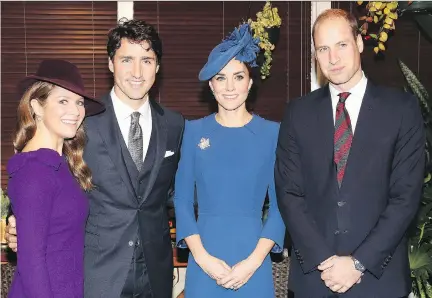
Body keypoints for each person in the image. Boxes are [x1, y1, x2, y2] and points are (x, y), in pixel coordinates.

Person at [6, 19, 184, 298]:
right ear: (111, 64)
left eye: (147, 60)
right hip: (96, 277)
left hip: (156, 276)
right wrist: (15, 222)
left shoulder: (175, 125)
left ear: (158, 67)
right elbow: (40, 176)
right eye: (127, 59)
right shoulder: (79, 122)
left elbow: (174, 191)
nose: (137, 71)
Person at [275, 8, 425, 298]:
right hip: (315, 281)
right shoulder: (297, 113)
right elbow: (289, 193)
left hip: (379, 280)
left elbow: (405, 197)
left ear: (358, 43)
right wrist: (325, 261)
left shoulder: (402, 110)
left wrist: (358, 263)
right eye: (323, 48)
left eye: (342, 44)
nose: (333, 57)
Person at [174, 23, 285, 298]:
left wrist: (253, 263)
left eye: (238, 77)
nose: (230, 87)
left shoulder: (273, 134)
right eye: (221, 78)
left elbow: (281, 206)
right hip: (204, 259)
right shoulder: (193, 131)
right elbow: (182, 200)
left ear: (250, 81)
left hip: (254, 260)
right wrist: (202, 258)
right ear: (211, 85)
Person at [6, 59, 104, 298]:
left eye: (79, 102)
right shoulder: (34, 169)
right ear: (37, 107)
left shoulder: (61, 165)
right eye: (63, 100)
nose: (75, 110)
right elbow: (32, 263)